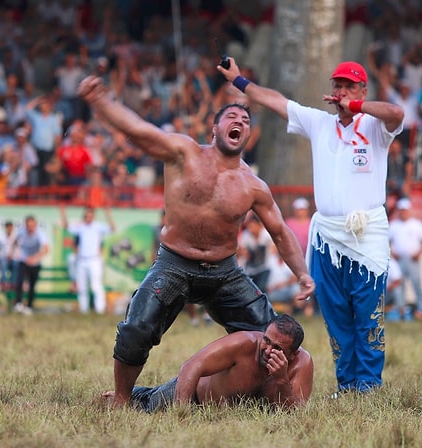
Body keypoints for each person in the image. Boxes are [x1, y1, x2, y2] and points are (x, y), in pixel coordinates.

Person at [77, 76, 314, 407]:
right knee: (137, 326)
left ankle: (258, 397)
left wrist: (302, 273)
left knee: (270, 336)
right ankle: (121, 398)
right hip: (174, 262)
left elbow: (280, 231)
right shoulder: (182, 153)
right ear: (214, 129)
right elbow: (139, 130)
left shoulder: (253, 185)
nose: (240, 122)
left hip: (225, 271)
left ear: (248, 136)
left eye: (245, 121)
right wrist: (101, 101)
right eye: (232, 117)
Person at [217, 58, 403, 393]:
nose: (341, 91)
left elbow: (397, 114)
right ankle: (347, 385)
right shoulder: (319, 123)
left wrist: (357, 106)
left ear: (362, 90)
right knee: (336, 316)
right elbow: (274, 101)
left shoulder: (374, 127)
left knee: (367, 315)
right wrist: (240, 81)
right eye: (338, 85)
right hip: (327, 237)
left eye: (349, 86)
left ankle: (370, 386)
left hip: (367, 236)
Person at [105, 314, 313, 412]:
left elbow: (295, 414)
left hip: (228, 416)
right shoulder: (245, 342)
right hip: (192, 395)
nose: (267, 350)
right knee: (145, 405)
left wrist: (281, 381)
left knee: (145, 398)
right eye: (266, 340)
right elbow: (191, 367)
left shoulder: (301, 364)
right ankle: (121, 396)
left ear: (292, 355)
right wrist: (182, 413)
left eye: (277, 348)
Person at [59, 204, 114, 314]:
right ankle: (84, 310)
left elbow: (112, 228)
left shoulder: (98, 226)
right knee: (82, 287)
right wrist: (63, 213)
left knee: (96, 285)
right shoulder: (81, 227)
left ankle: (100, 309)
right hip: (82, 260)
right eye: (86, 216)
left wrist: (108, 214)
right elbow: (67, 226)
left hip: (94, 260)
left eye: (90, 215)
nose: (88, 217)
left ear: (93, 216)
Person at [388, 197, 422, 318]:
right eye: (401, 210)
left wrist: (419, 252)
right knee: (400, 285)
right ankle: (401, 310)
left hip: (413, 258)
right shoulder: (393, 225)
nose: (403, 212)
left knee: (417, 284)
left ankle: (421, 309)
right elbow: (386, 241)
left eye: (405, 210)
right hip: (398, 259)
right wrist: (392, 253)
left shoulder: (416, 224)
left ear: (409, 210)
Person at [12, 215, 49, 315]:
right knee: (19, 281)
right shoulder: (21, 231)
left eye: (32, 226)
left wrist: (34, 258)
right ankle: (18, 304)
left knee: (32, 286)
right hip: (23, 260)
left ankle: (29, 306)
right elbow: (14, 242)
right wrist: (13, 253)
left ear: (35, 225)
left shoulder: (40, 234)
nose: (30, 228)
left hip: (35, 262)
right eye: (28, 226)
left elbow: (46, 249)